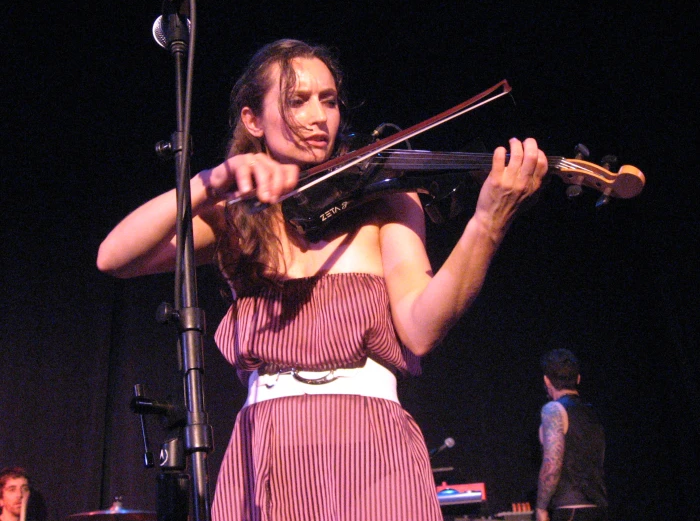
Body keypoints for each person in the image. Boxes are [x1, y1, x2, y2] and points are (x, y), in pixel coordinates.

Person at [97, 38, 548, 521]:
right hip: (268, 445)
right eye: (297, 100)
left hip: (372, 442)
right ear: (253, 120)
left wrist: (487, 225)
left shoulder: (386, 200)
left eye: (328, 100)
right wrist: (211, 181)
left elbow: (421, 327)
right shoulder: (236, 218)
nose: (319, 117)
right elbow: (114, 257)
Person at [536, 349, 608, 521]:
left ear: (546, 380)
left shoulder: (553, 410)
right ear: (578, 379)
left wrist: (541, 507)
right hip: (599, 509)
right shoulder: (592, 413)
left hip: (570, 510)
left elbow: (552, 465)